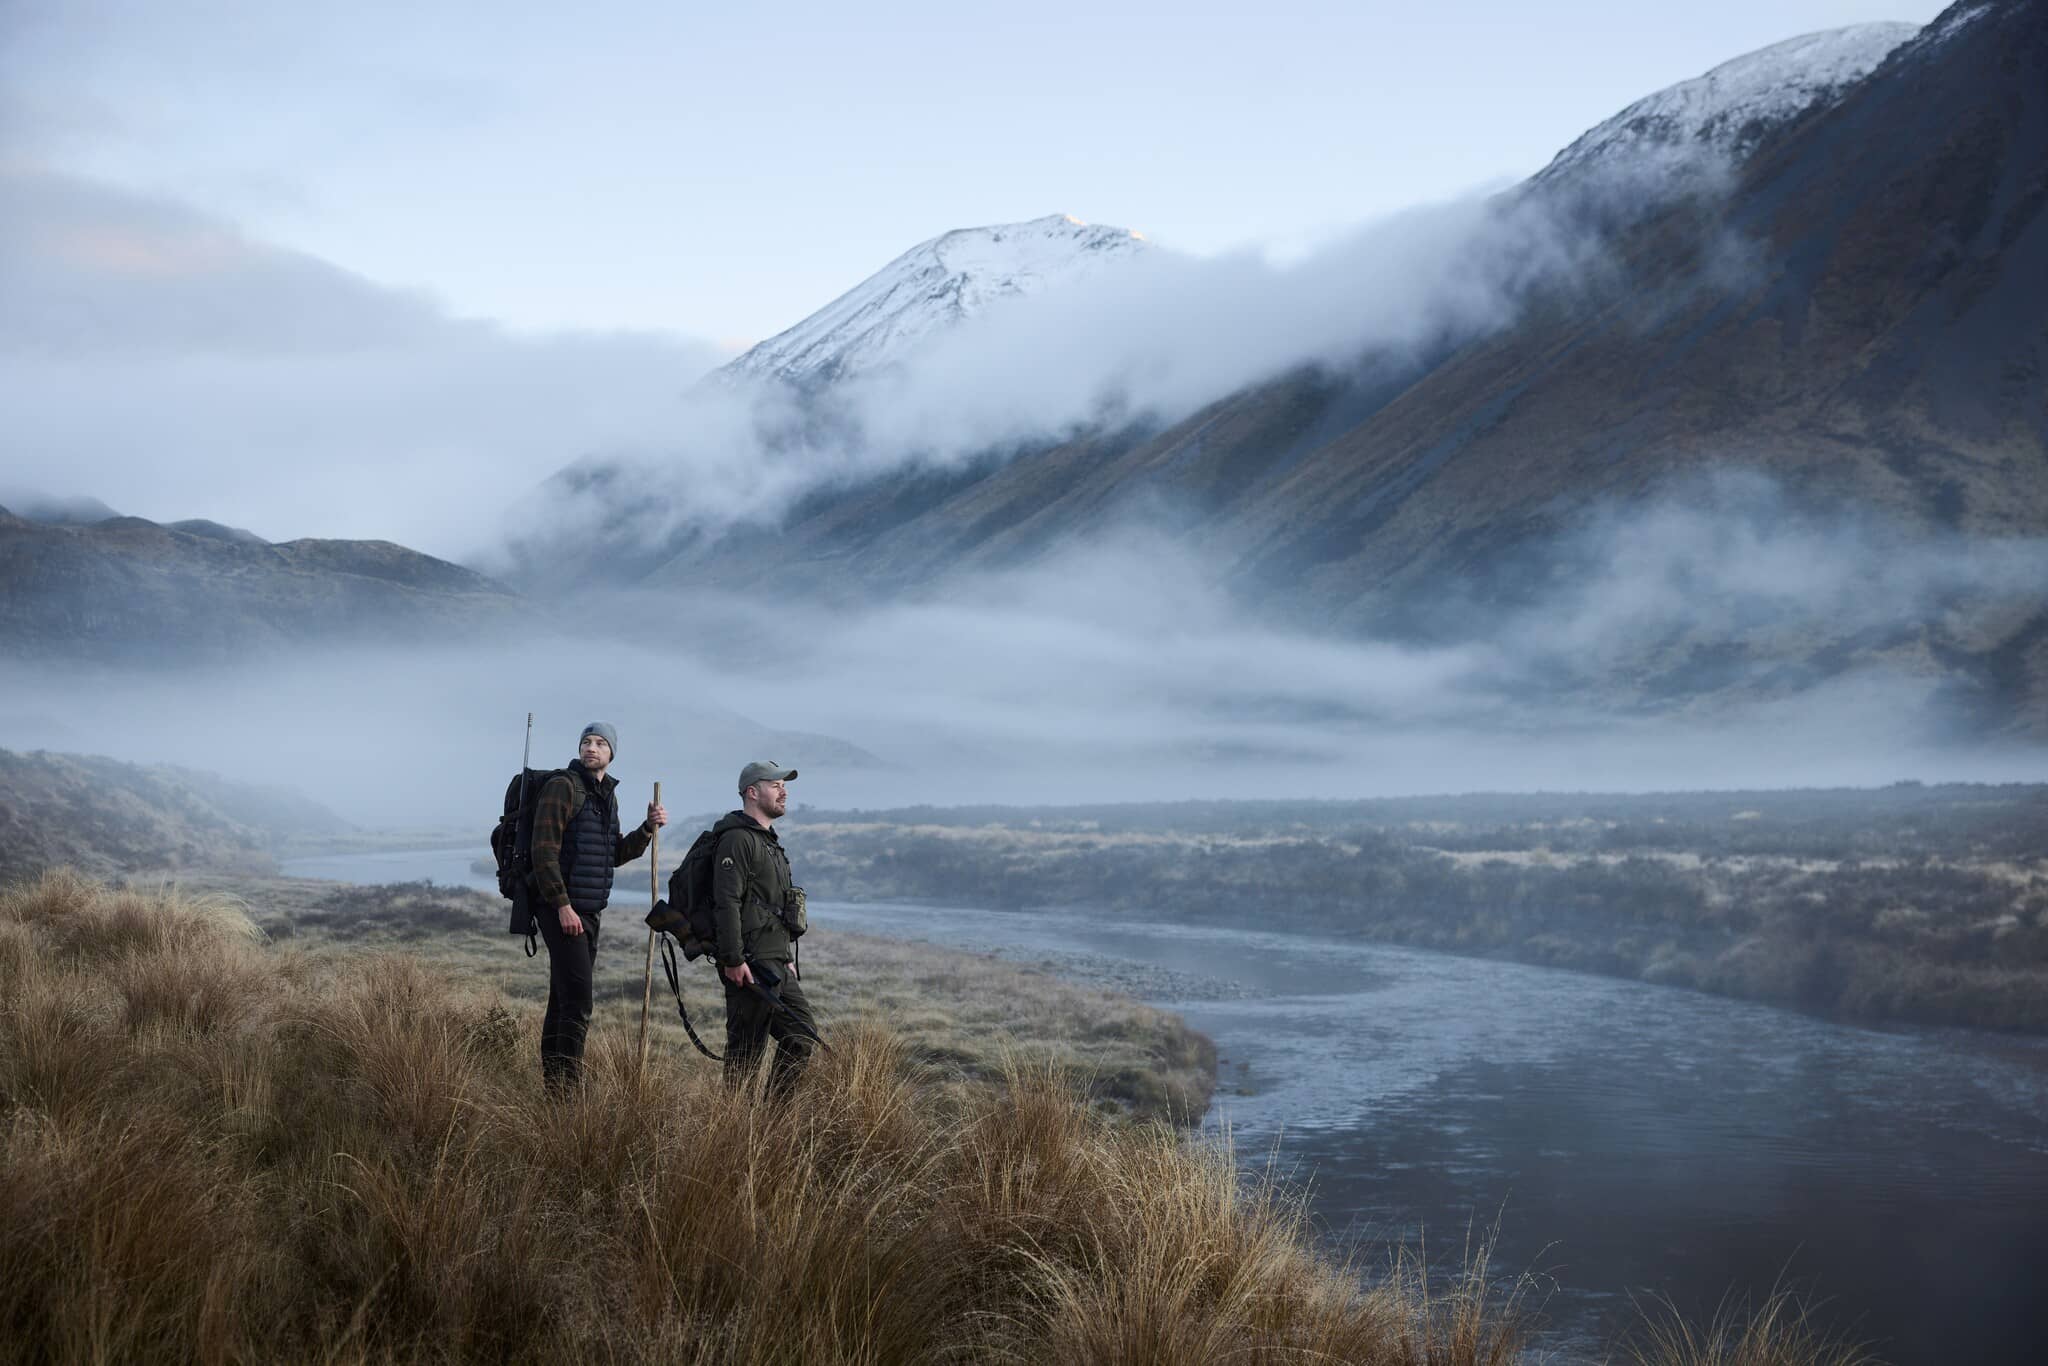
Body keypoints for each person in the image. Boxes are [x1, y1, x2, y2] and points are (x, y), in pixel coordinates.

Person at [529, 721, 668, 1090]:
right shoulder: (563, 787)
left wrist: (647, 829)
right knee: (578, 1002)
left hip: (589, 911)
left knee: (563, 999)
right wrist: (562, 906)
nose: (591, 748)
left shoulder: (606, 795)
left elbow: (612, 854)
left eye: (601, 743)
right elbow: (543, 852)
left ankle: (555, 1088)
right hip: (563, 910)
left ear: (611, 754)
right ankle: (569, 1091)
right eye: (587, 742)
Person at [711, 760, 816, 1096]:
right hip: (750, 963)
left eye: (785, 786)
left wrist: (786, 956)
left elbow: (772, 907)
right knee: (745, 1056)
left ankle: (773, 1121)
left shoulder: (769, 843)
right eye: (776, 785)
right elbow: (726, 901)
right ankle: (733, 1125)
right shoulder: (736, 840)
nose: (784, 792)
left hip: (776, 961)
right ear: (752, 792)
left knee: (801, 1036)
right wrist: (732, 959)